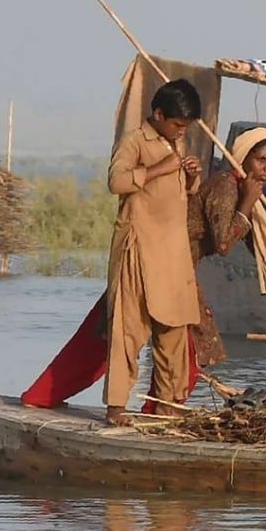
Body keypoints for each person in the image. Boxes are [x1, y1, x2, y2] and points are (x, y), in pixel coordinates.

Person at [21, 126, 266, 416]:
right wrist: (248, 203)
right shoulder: (227, 187)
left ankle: (152, 414)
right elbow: (224, 242)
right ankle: (54, 399)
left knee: (136, 345)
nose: (265, 169)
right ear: (242, 158)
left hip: (175, 273)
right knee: (118, 343)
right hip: (157, 267)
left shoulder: (246, 198)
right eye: (259, 160)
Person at [102, 79, 204, 425]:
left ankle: (168, 406)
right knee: (127, 329)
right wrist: (162, 167)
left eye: (184, 127)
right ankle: (117, 406)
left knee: (174, 329)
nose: (180, 132)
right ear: (158, 114)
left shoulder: (178, 141)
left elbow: (185, 193)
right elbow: (116, 182)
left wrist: (191, 175)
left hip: (172, 253)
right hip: (139, 247)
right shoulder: (134, 142)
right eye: (176, 124)